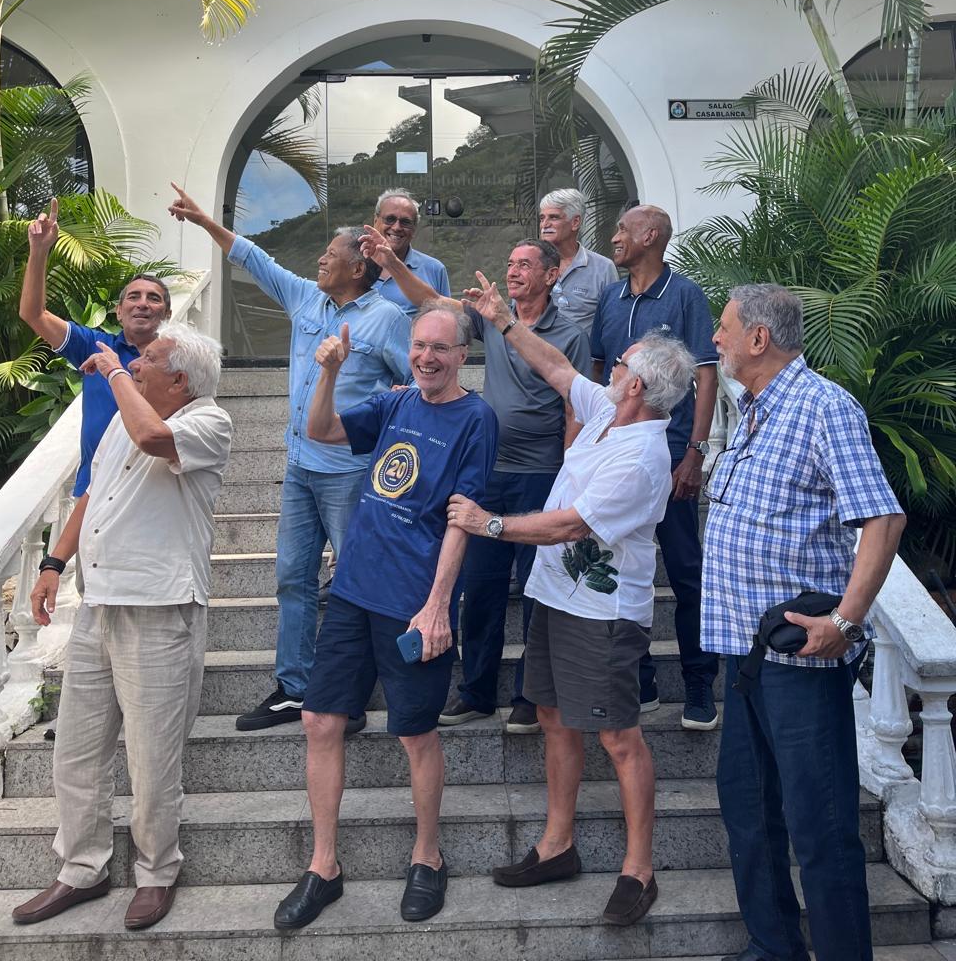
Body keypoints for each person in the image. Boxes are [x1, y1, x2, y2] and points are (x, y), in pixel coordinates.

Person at [446, 273, 695, 927]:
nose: (610, 369)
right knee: (554, 716)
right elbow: (557, 369)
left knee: (619, 736)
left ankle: (639, 871)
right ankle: (557, 846)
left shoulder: (642, 457)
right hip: (556, 598)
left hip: (603, 617)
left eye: (621, 365)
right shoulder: (611, 412)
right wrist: (503, 320)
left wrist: (489, 524)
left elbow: (569, 526)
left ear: (637, 386)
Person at [272, 301, 498, 931]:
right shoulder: (395, 402)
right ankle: (324, 866)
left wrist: (437, 605)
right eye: (420, 345)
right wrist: (328, 372)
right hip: (353, 588)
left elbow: (462, 517)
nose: (427, 357)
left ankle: (428, 856)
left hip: (412, 601)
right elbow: (321, 431)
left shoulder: (476, 419)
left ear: (463, 355)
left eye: (441, 348)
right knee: (320, 719)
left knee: (415, 732)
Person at [704, 285, 905, 961]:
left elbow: (883, 518)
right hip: (745, 659)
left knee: (821, 828)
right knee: (750, 817)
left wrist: (845, 620)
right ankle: (773, 949)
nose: (716, 339)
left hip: (802, 662)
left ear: (759, 338)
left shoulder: (824, 406)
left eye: (724, 328)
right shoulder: (753, 410)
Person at [12, 323, 232, 932]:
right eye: (134, 359)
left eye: (148, 359)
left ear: (179, 380)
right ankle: (82, 868)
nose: (135, 363)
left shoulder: (209, 421)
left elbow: (154, 437)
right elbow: (91, 493)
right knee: (77, 751)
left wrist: (112, 371)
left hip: (160, 610)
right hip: (99, 604)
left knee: (152, 758)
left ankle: (156, 871)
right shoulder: (123, 417)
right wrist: (54, 563)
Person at [168, 185, 411, 732]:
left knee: (355, 586)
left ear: (358, 267)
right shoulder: (305, 298)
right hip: (300, 469)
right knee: (293, 578)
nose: (320, 259)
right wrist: (205, 221)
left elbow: (415, 384)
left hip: (350, 474)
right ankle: (294, 689)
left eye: (330, 253)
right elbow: (254, 257)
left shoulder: (388, 318)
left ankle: (347, 696)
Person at [360, 226, 590, 734]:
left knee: (537, 590)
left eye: (525, 264)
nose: (513, 271)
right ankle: (477, 693)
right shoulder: (489, 317)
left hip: (540, 475)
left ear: (552, 275)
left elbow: (575, 404)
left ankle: (530, 695)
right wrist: (391, 262)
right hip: (488, 471)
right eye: (510, 263)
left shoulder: (570, 333)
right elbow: (430, 301)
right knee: (482, 588)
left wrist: (570, 471)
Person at [590, 201, 719, 730]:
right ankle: (639, 680)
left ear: (650, 236)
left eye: (623, 229)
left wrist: (695, 452)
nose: (615, 237)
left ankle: (699, 684)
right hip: (618, 456)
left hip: (670, 457)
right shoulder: (610, 297)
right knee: (621, 568)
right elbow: (600, 372)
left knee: (686, 572)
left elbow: (706, 376)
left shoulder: (685, 295)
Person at [19, 196, 172, 496]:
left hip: (151, 493)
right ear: (119, 311)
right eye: (134, 297)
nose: (142, 303)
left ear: (167, 313)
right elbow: (34, 314)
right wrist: (39, 250)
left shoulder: (179, 361)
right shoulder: (95, 346)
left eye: (153, 298)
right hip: (93, 491)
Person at [538, 187, 618, 336]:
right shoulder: (530, 264)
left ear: (575, 222)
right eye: (542, 218)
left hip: (584, 351)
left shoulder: (603, 267)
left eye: (553, 217)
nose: (545, 224)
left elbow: (613, 323)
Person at [370, 188, 450, 315]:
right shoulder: (354, 266)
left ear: (414, 229)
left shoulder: (434, 269)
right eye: (390, 219)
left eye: (405, 222)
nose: (397, 227)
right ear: (375, 221)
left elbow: (448, 318)